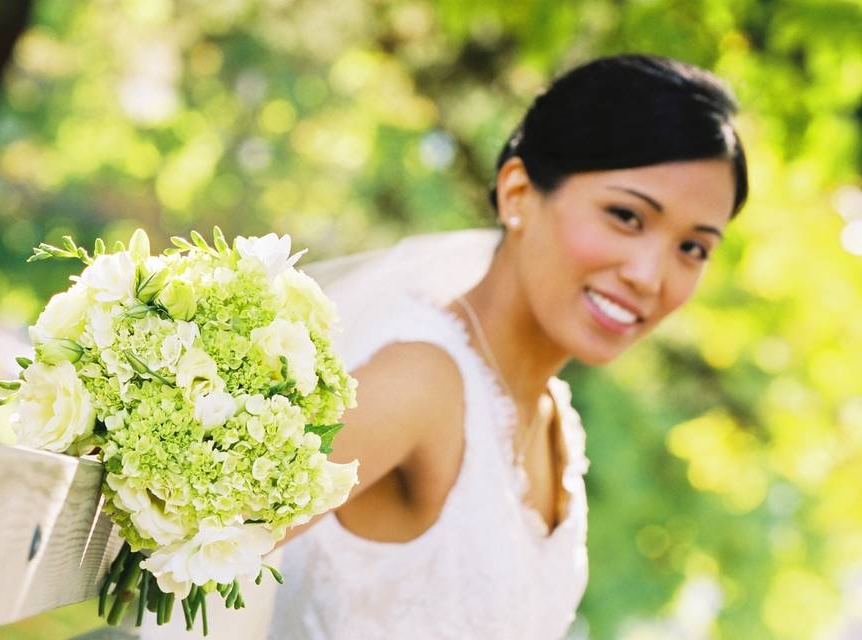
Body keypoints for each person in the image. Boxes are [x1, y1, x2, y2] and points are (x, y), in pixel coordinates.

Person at [266, 53, 749, 639]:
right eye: (626, 216)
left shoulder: (556, 423)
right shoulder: (417, 383)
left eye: (693, 248)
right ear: (518, 192)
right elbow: (181, 550)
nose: (650, 276)